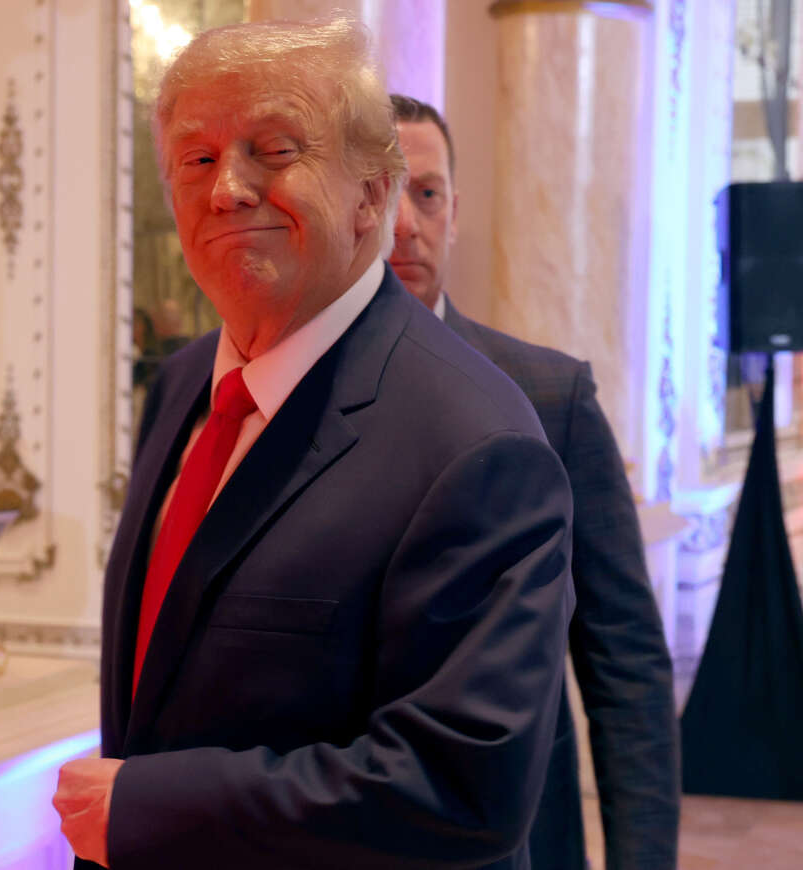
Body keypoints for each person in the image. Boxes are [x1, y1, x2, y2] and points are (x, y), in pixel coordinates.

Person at [52, 19, 575, 869]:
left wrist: (147, 808)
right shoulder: (183, 387)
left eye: (273, 148)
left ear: (373, 193)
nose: (227, 189)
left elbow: (463, 786)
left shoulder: (476, 441)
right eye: (197, 158)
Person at [389, 94, 680, 870]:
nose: (404, 225)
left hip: (522, 844)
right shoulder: (285, 401)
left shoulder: (550, 399)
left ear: (454, 211)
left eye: (427, 193)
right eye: (383, 191)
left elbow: (627, 670)